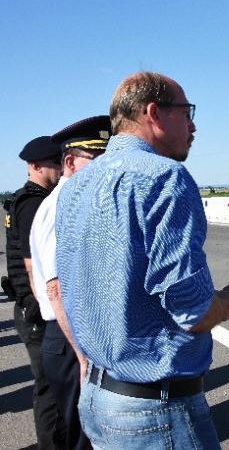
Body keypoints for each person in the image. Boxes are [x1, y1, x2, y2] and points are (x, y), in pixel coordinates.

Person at [55, 72, 229, 449]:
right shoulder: (165, 177)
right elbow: (192, 311)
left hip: (97, 395)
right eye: (187, 112)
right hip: (155, 408)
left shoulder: (75, 185)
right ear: (154, 113)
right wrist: (223, 304)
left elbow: (67, 285)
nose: (193, 126)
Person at [30, 116, 111, 450]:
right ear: (70, 162)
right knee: (84, 439)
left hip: (82, 338)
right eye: (100, 160)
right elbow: (55, 288)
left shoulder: (81, 205)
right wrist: (83, 357)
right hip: (70, 342)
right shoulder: (57, 208)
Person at [4, 136, 65, 449]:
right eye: (56, 162)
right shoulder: (34, 203)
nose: (60, 168)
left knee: (54, 386)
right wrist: (47, 308)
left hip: (33, 307)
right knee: (52, 389)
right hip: (37, 310)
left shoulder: (28, 199)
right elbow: (32, 266)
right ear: (36, 165)